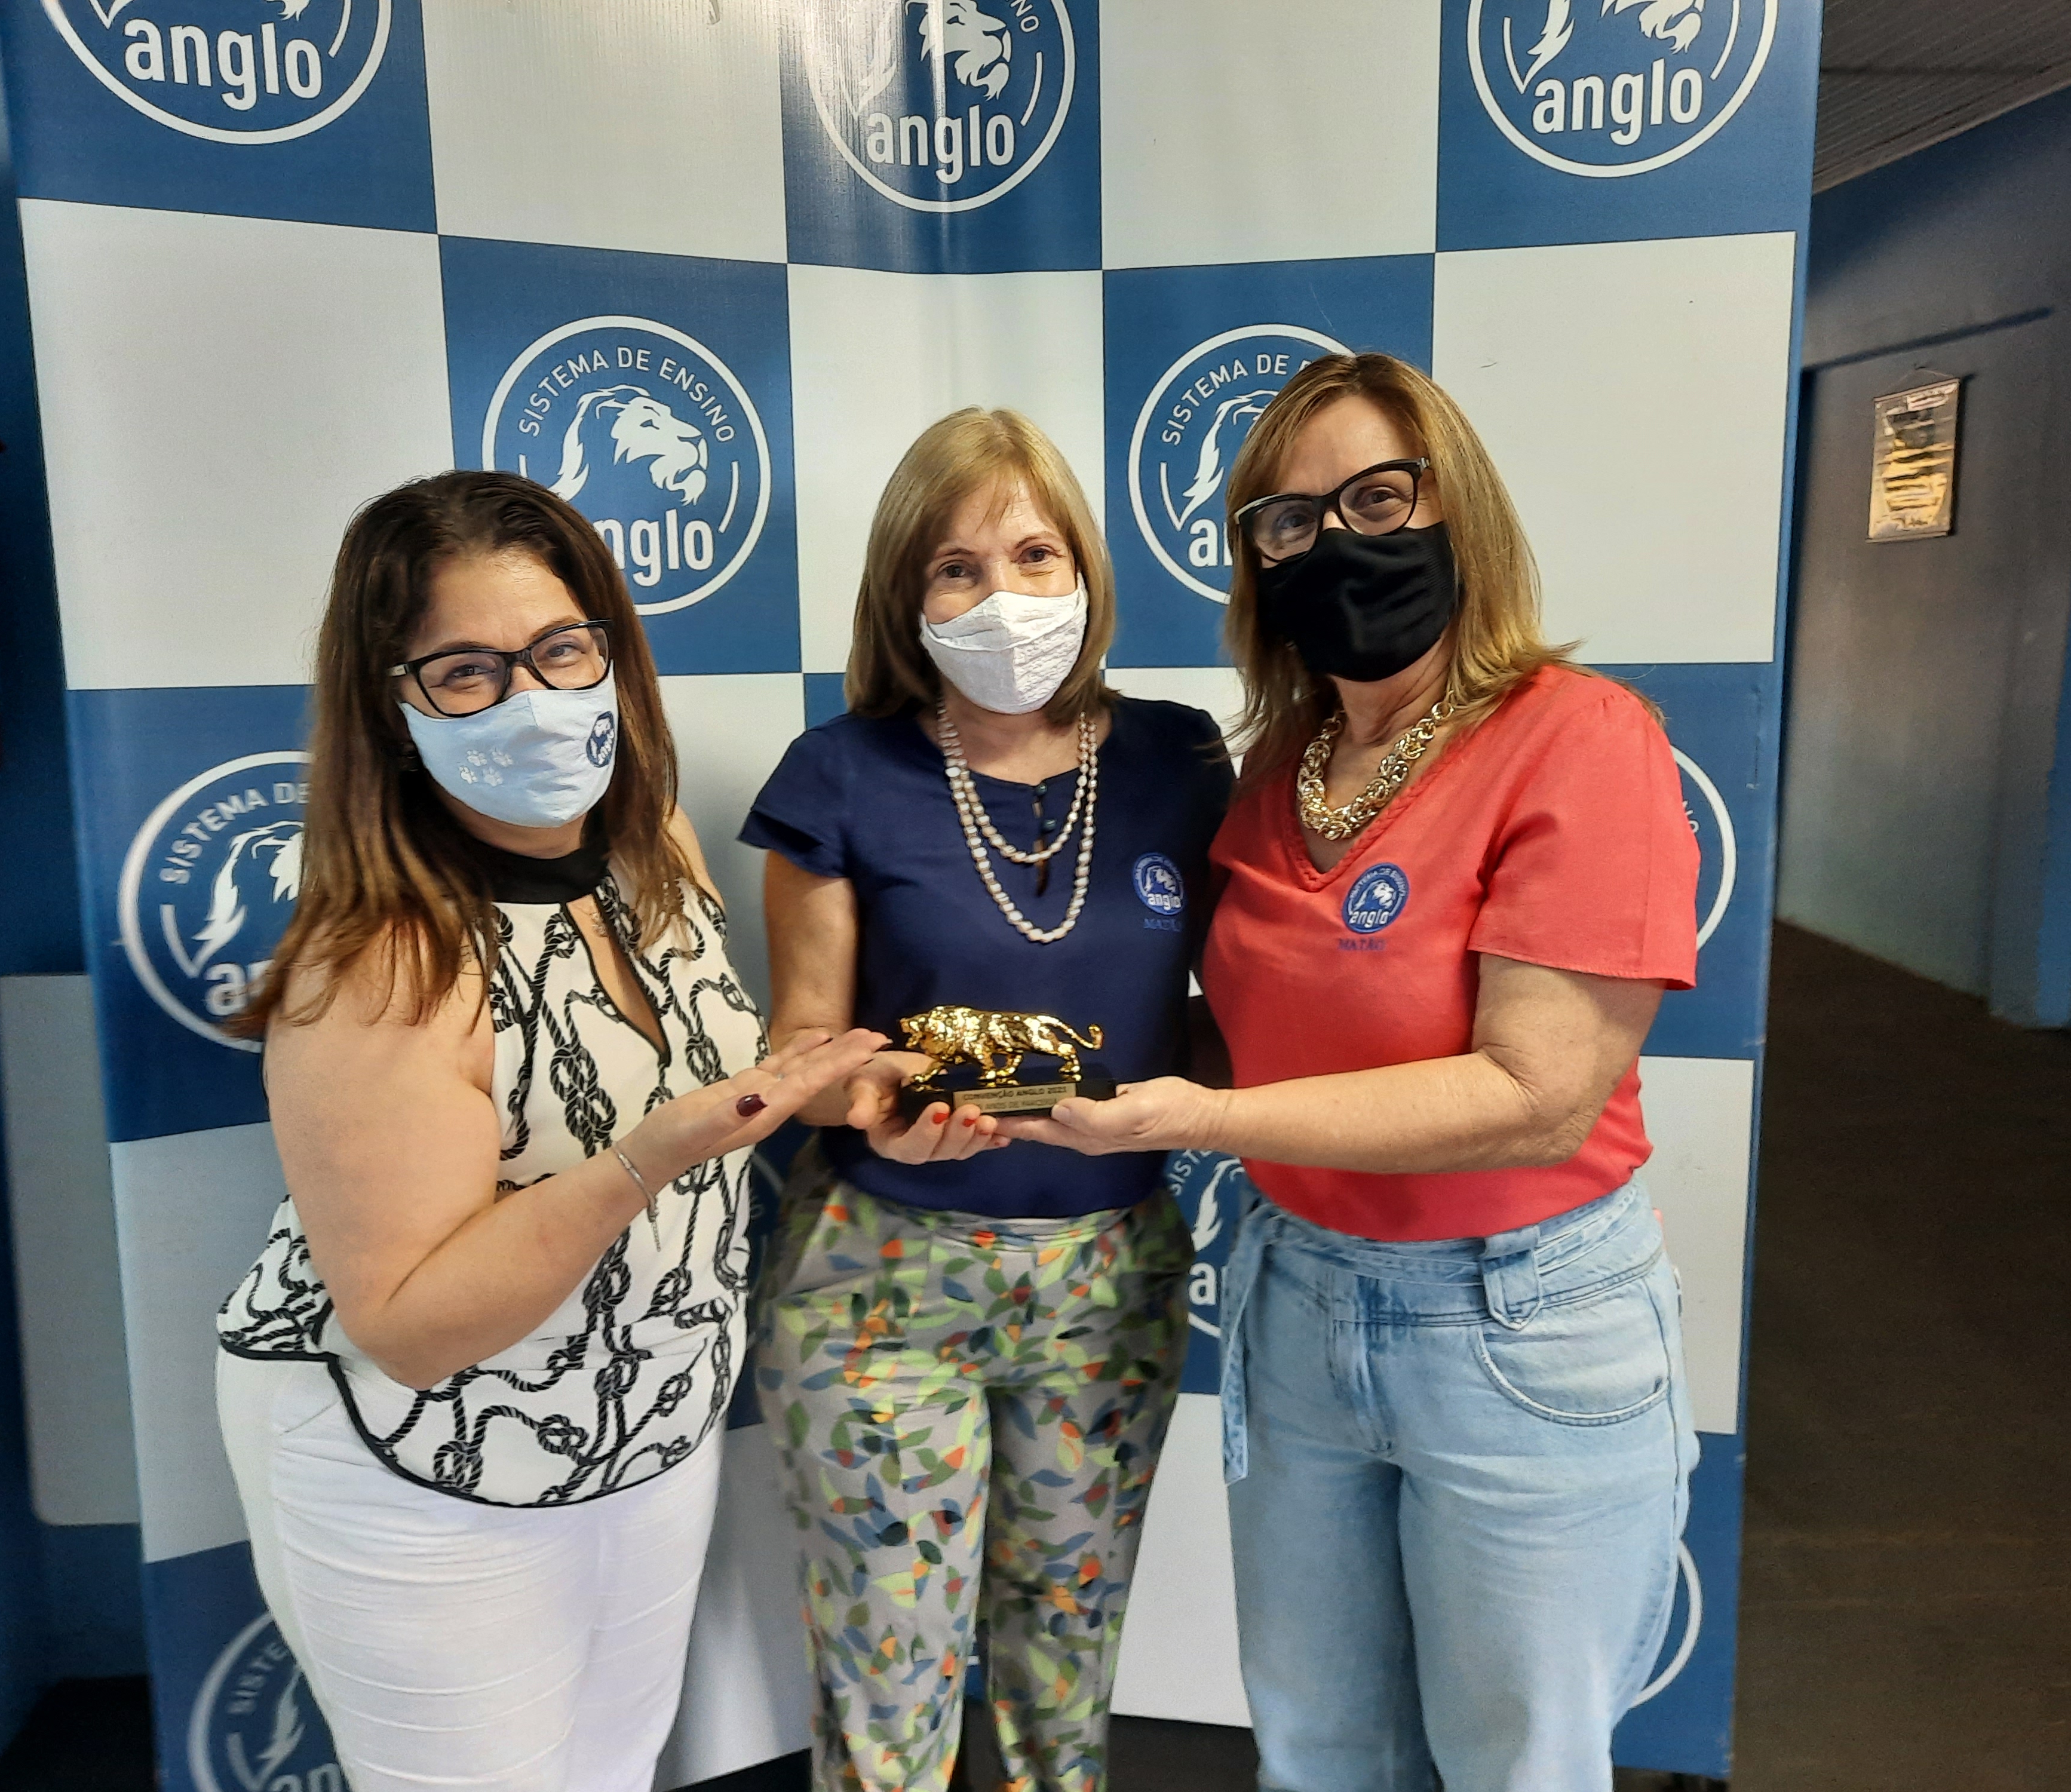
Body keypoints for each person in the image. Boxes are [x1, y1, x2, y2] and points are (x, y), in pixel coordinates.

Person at [1001, 355, 1702, 1792]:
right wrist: (1031, 1058)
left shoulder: (1577, 737)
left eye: (1378, 497)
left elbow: (1536, 1093)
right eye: (1288, 522)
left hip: (1518, 1321)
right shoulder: (1278, 769)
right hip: (1299, 1300)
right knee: (1318, 1750)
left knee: (1518, 1764)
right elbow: (1250, 1037)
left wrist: (1203, 1117)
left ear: (1456, 507)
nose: (1335, 542)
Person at [213, 471, 883, 1792]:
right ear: (390, 705)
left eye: (562, 649)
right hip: (422, 1463)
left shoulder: (651, 844)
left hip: (646, 1430)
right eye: (467, 671)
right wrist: (652, 1158)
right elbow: (414, 1325)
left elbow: (703, 1080)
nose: (533, 698)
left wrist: (847, 1098)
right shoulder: (381, 962)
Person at [741, 408, 1231, 1792]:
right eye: (954, 568)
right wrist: (876, 1103)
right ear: (905, 593)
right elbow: (801, 1051)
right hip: (882, 1287)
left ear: (1082, 571)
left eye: (1032, 555)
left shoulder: (1180, 759)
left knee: (1060, 1680)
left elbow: (1228, 1012)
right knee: (885, 1687)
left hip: (1109, 1282)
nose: (1000, 596)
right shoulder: (839, 771)